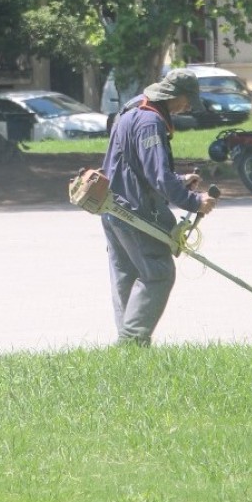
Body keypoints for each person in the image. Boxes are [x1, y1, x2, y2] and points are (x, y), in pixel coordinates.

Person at [100, 69, 217, 346]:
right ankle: (132, 340)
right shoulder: (151, 122)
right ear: (174, 96)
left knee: (126, 274)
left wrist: (180, 181)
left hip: (112, 205)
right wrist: (195, 201)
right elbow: (159, 176)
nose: (187, 107)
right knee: (158, 273)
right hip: (135, 211)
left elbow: (135, 165)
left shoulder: (133, 109)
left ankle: (128, 348)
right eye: (187, 101)